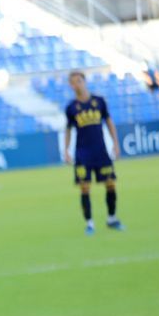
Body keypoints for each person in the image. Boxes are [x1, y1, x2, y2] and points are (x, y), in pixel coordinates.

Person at [63, 71, 123, 235]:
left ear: (84, 81)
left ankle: (112, 218)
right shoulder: (71, 108)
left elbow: (109, 123)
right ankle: (89, 223)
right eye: (73, 82)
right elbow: (68, 130)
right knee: (84, 187)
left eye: (79, 81)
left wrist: (116, 144)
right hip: (82, 153)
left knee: (110, 183)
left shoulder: (99, 101)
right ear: (71, 86)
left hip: (101, 151)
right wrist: (66, 150)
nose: (76, 85)